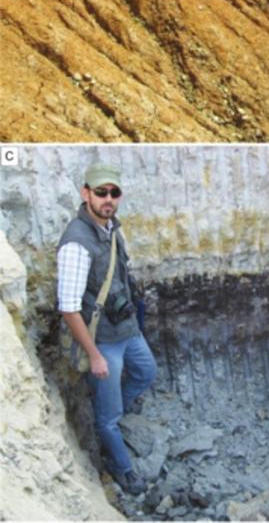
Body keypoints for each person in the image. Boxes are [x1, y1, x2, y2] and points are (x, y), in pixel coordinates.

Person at [57, 163, 156, 496]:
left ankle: (116, 409)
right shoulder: (76, 242)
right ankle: (121, 467)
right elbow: (69, 308)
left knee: (146, 372)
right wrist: (94, 355)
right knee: (107, 418)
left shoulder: (111, 228)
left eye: (114, 192)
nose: (108, 199)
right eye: (101, 192)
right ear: (86, 194)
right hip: (104, 343)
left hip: (127, 329)